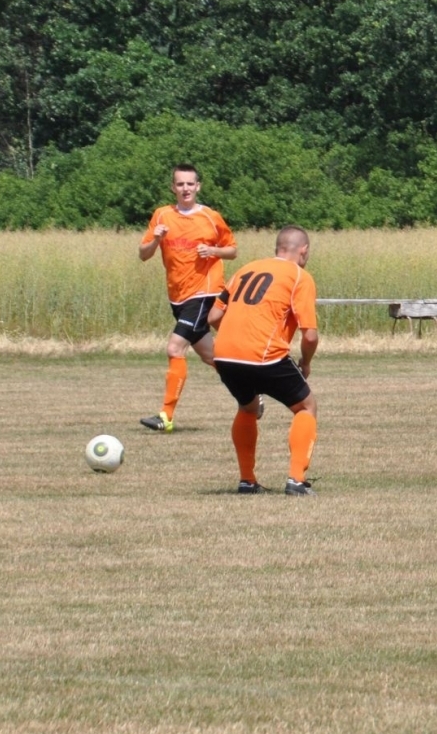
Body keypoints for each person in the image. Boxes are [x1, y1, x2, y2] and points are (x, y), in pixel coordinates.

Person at [208, 225, 320, 496]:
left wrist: (238, 336)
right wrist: (305, 363)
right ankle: (296, 480)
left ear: (277, 248)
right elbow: (311, 335)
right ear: (303, 250)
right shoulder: (299, 276)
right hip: (263, 354)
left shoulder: (245, 270)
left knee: (248, 409)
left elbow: (213, 317)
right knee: (306, 406)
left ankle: (247, 481)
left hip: (223, 354)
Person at [137, 165, 238, 432]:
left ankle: (166, 416)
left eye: (190, 184)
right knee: (212, 356)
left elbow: (232, 250)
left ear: (198, 187)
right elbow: (143, 254)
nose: (185, 189)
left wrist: (213, 250)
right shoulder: (161, 216)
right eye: (180, 184)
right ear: (173, 187)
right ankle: (249, 390)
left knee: (175, 348)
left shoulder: (210, 217)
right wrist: (156, 240)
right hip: (178, 296)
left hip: (205, 292)